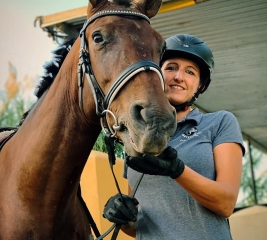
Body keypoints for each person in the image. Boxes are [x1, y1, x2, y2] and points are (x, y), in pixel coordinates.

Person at [103, 34, 245, 239]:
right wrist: (123, 217)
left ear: (200, 85)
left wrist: (176, 170)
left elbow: (226, 203)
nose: (178, 77)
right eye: (171, 67)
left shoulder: (220, 123)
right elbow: (140, 226)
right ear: (156, 74)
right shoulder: (136, 135)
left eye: (190, 72)